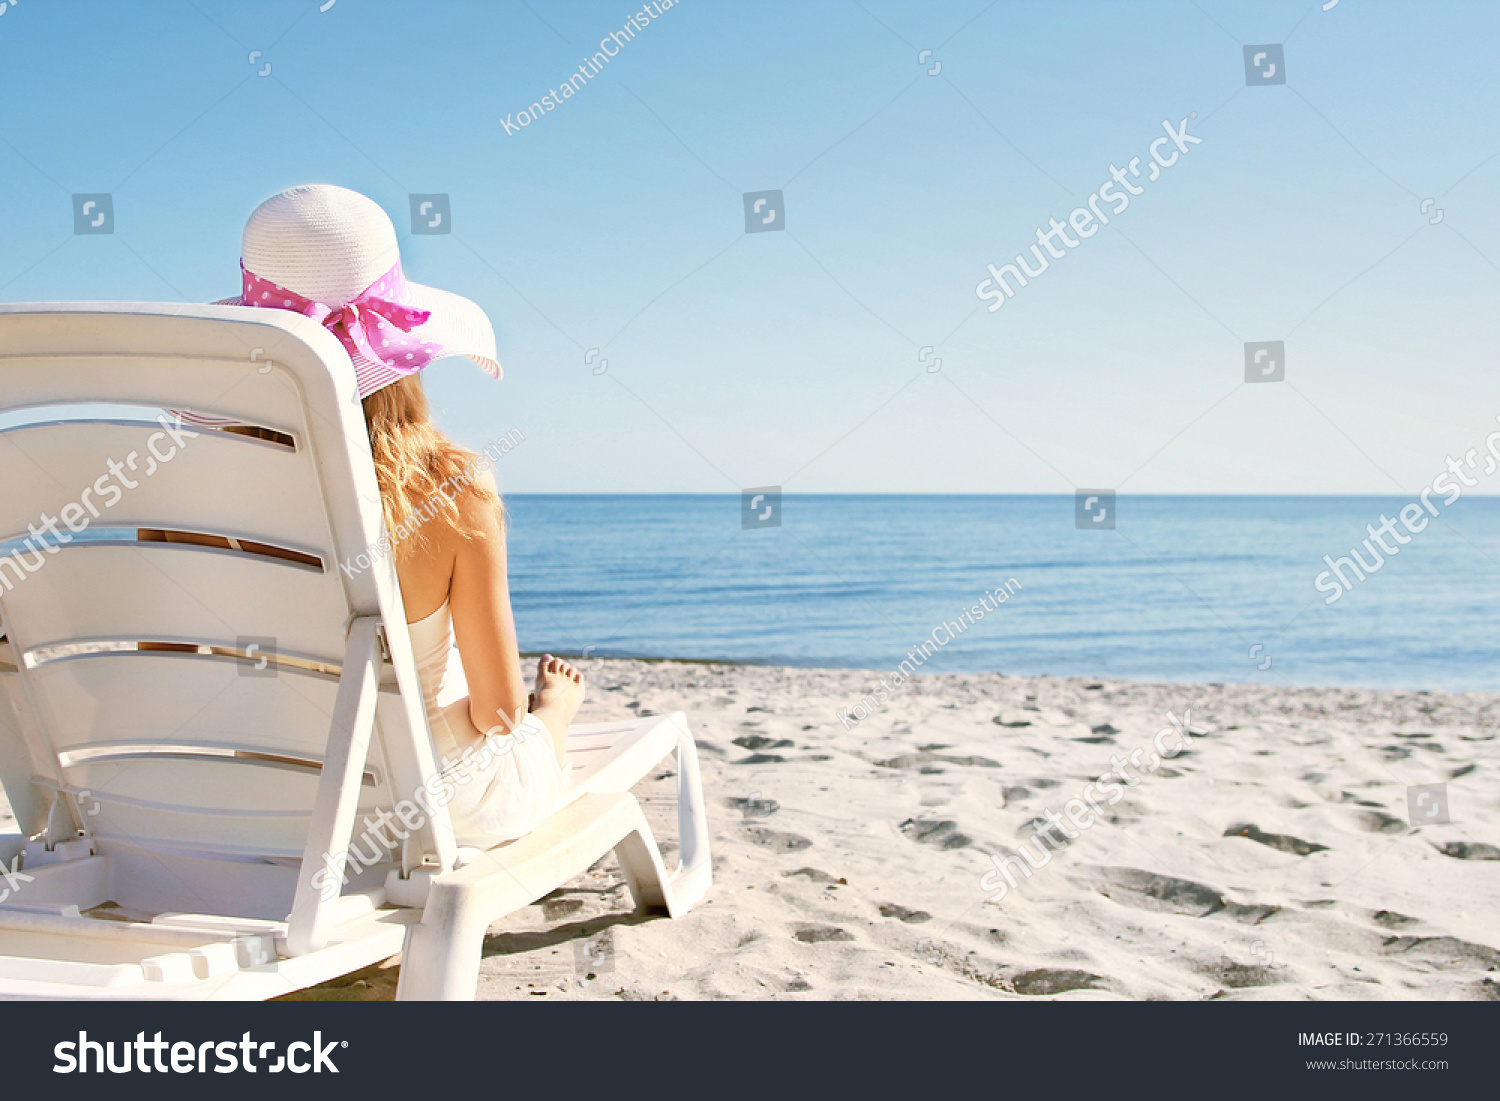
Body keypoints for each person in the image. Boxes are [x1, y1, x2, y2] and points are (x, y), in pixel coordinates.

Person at [158, 184, 585, 847]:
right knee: (520, 727)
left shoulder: (185, 490)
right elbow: (498, 713)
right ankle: (557, 712)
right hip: (412, 805)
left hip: (264, 794)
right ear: (403, 351)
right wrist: (534, 714)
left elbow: (172, 674)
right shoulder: (454, 489)